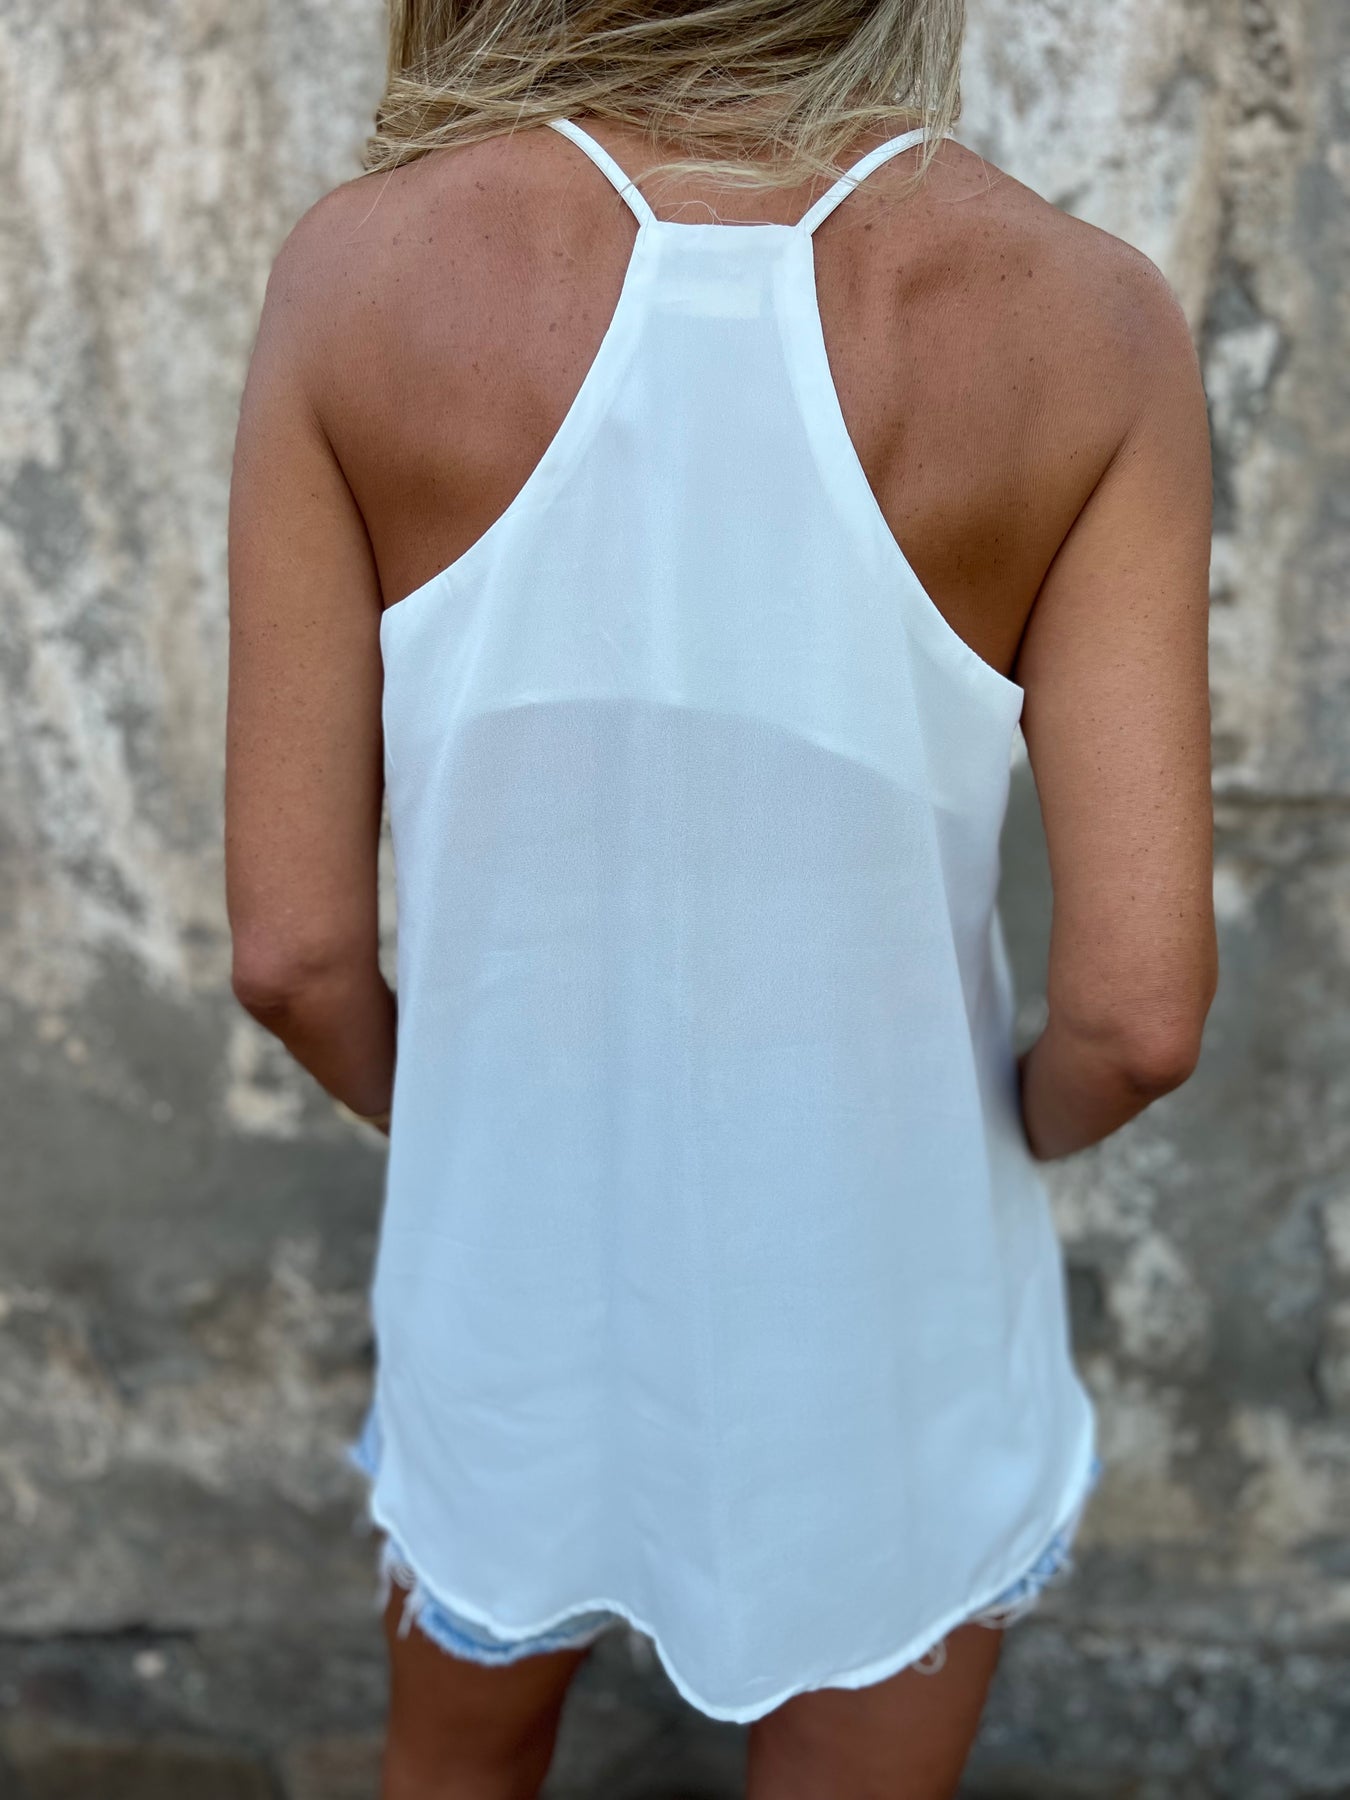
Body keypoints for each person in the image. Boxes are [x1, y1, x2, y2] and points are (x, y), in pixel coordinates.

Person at [224, 1, 1217, 1794]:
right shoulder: (1083, 322)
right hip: (889, 1291)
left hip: (511, 1286)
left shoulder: (358, 281)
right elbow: (1137, 1018)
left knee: (451, 1772)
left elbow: (294, 956)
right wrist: (1002, 1133)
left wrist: (472, 1128)